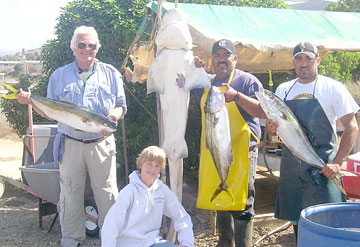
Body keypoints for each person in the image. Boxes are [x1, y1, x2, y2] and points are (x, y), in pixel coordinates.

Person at [16, 26, 127, 247]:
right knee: (70, 194)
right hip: (70, 145)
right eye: (82, 45)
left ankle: (112, 240)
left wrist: (111, 119)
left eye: (92, 45)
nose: (87, 49)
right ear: (73, 48)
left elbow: (120, 106)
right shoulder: (59, 76)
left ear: (98, 48)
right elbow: (49, 111)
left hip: (101, 143)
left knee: (107, 194)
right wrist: (30, 101)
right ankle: (71, 240)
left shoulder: (111, 73)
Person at [266, 41, 359, 239]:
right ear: (293, 62)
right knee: (298, 225)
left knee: (327, 226)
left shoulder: (333, 88)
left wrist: (337, 163)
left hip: (324, 169)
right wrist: (272, 128)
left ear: (317, 60)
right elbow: (277, 132)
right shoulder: (283, 89)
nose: (303, 63)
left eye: (308, 58)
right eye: (298, 58)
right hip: (293, 169)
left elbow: (352, 127)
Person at [191, 39, 265, 247]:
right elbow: (181, 80)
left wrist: (238, 97)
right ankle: (225, 243)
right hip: (215, 150)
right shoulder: (205, 82)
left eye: (226, 55)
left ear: (235, 58)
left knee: (242, 202)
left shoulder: (248, 81)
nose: (222, 60)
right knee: (222, 201)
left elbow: (264, 112)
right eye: (217, 55)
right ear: (212, 59)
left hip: (244, 150)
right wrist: (191, 65)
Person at [101, 146, 194, 247]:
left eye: (157, 166)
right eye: (149, 164)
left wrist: (187, 243)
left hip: (153, 243)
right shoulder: (129, 192)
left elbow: (182, 217)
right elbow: (111, 225)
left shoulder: (162, 190)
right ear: (141, 165)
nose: (153, 169)